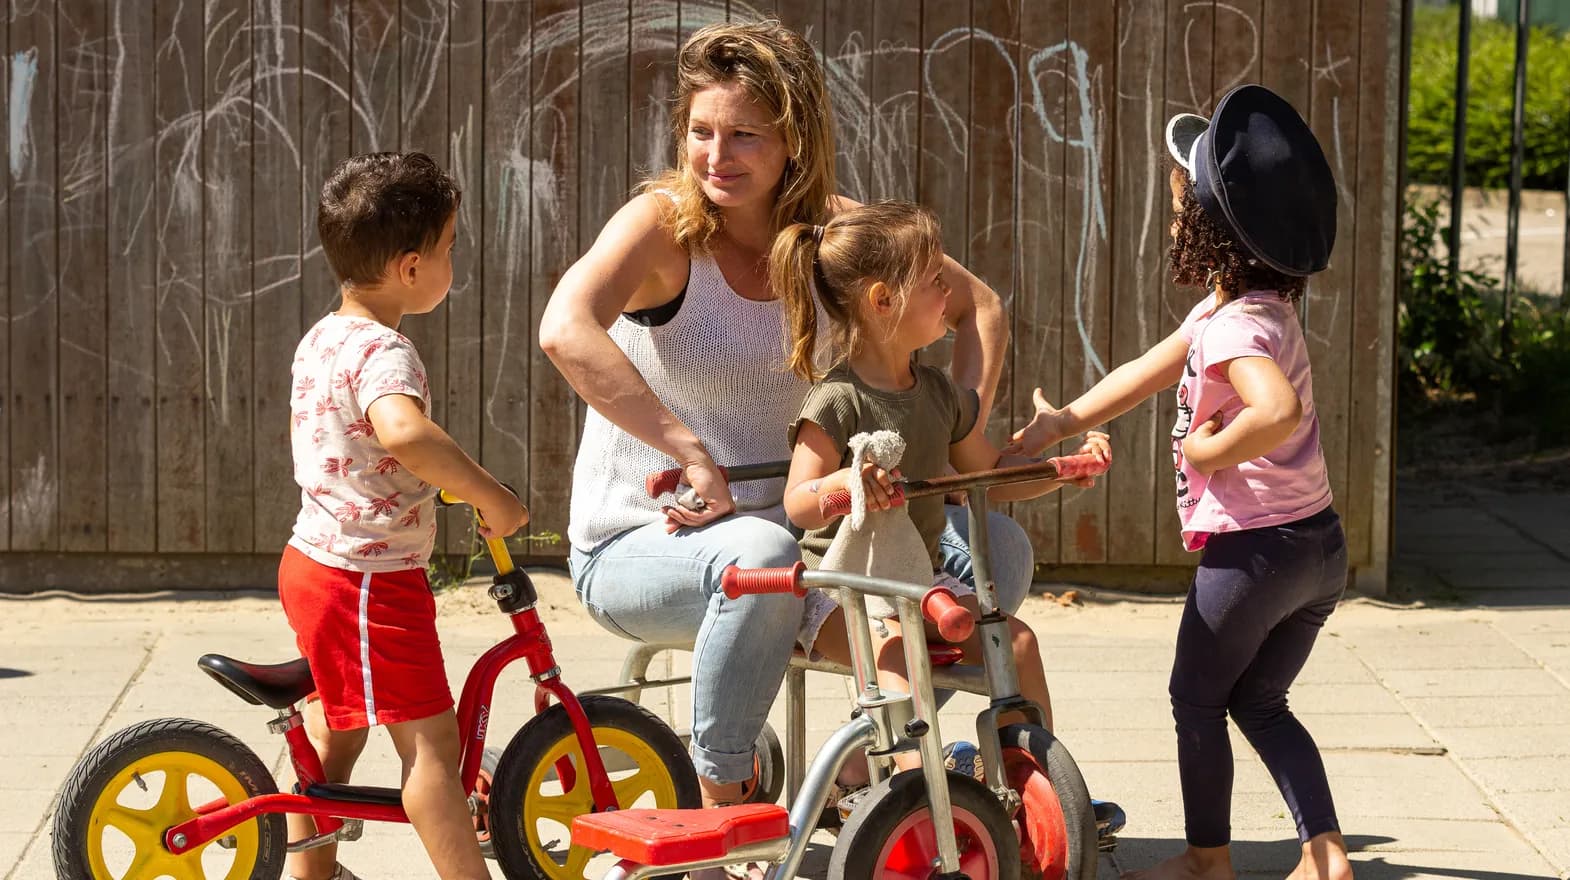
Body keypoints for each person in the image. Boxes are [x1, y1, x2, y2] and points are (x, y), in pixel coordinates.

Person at [537, 20, 1028, 818]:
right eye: (700, 132)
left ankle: (869, 776)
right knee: (765, 555)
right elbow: (565, 329)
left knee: (995, 547)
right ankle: (721, 805)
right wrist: (687, 450)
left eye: (743, 136)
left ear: (793, 139)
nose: (714, 156)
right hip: (647, 542)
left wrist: (956, 434)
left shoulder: (841, 234)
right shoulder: (662, 226)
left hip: (810, 535)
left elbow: (980, 307)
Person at [1006, 84, 1353, 880]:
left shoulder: (1232, 327)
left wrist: (1209, 451)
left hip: (1256, 555)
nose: (1171, 221)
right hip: (1317, 548)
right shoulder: (1248, 308)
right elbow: (1143, 371)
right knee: (1260, 702)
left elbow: (1278, 408)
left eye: (1177, 208)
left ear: (1210, 229)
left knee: (1195, 700)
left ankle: (1207, 859)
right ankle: (1326, 856)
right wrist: (1063, 421)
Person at [773, 201, 1111, 759]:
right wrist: (848, 484)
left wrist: (1059, 472)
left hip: (916, 582)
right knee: (900, 657)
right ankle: (916, 800)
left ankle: (1029, 785)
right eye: (934, 282)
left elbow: (992, 479)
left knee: (1017, 644)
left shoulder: (936, 394)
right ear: (883, 301)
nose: (948, 296)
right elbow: (799, 504)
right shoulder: (837, 398)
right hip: (841, 593)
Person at [279, 152, 526, 880]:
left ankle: (310, 873)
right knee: (430, 753)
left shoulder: (324, 336)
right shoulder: (386, 352)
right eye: (451, 249)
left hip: (319, 565)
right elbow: (403, 433)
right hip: (366, 581)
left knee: (336, 728)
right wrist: (489, 494)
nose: (456, 263)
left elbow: (355, 449)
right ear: (411, 268)